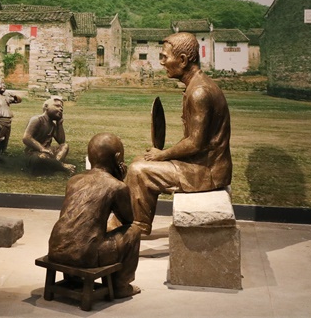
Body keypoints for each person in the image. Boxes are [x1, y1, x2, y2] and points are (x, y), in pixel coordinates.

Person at [126, 31, 232, 235]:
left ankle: (137, 226)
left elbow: (195, 143)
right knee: (140, 160)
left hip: (206, 170)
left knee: (139, 170)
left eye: (164, 57)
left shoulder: (199, 92)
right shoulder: (196, 85)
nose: (162, 62)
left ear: (182, 60)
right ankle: (136, 221)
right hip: (201, 163)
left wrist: (163, 155)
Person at [48, 133, 141, 299]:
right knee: (133, 231)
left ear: (90, 157)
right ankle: (120, 286)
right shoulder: (116, 186)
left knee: (84, 232)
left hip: (56, 248)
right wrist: (121, 180)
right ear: (118, 158)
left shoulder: (74, 180)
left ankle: (73, 278)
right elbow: (128, 219)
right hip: (85, 255)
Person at [22, 97, 76, 175]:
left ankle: (54, 164)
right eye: (57, 106)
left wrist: (59, 124)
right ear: (46, 107)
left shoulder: (52, 125)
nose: (61, 109)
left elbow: (61, 141)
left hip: (47, 151)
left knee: (64, 146)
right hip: (34, 152)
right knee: (41, 158)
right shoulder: (37, 119)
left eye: (62, 108)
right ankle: (60, 166)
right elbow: (26, 138)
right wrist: (42, 148)